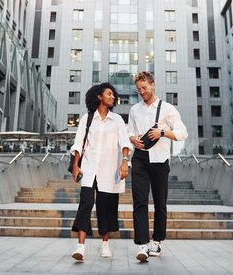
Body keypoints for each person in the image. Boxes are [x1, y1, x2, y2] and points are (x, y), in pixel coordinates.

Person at [127, 71, 188, 262]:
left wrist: (161, 132)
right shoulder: (134, 110)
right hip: (139, 160)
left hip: (160, 160)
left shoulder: (167, 108)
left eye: (144, 88)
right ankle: (142, 244)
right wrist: (132, 139)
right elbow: (129, 132)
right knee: (139, 201)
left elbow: (182, 133)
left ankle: (157, 240)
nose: (142, 92)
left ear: (152, 85)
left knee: (160, 203)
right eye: (138, 89)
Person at [70, 82, 132, 261]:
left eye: (113, 95)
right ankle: (80, 246)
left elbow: (125, 143)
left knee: (106, 207)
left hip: (109, 170)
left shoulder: (118, 120)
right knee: (85, 204)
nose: (113, 97)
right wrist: (75, 166)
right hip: (89, 169)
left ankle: (105, 244)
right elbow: (78, 143)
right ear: (99, 96)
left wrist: (124, 163)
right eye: (109, 94)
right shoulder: (87, 119)